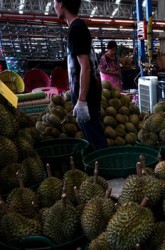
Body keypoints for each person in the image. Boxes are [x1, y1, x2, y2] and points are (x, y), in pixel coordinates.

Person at [54, 0, 107, 149]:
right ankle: (100, 168)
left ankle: (106, 169)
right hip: (87, 94)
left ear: (61, 3)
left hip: (87, 96)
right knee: (93, 137)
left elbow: (86, 67)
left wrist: (82, 100)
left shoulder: (76, 29)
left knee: (96, 140)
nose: (53, 6)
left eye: (54, 2)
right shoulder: (77, 27)